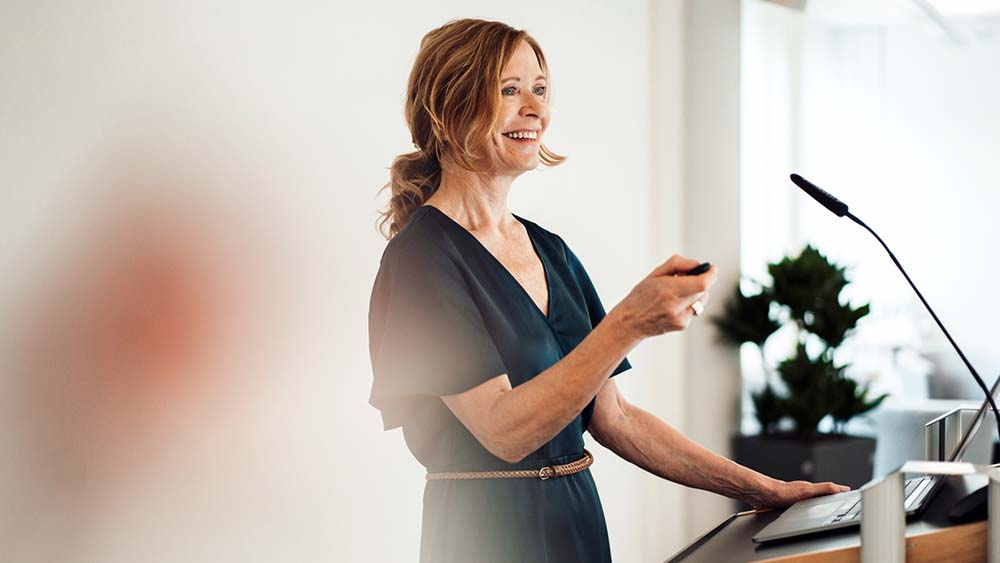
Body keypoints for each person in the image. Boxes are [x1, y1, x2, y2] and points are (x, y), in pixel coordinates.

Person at [368, 18, 848, 563]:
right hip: (486, 536)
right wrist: (627, 324)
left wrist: (767, 489)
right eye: (510, 90)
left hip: (578, 524)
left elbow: (615, 418)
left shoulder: (550, 251)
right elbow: (504, 431)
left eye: (540, 89)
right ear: (448, 106)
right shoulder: (420, 260)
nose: (537, 109)